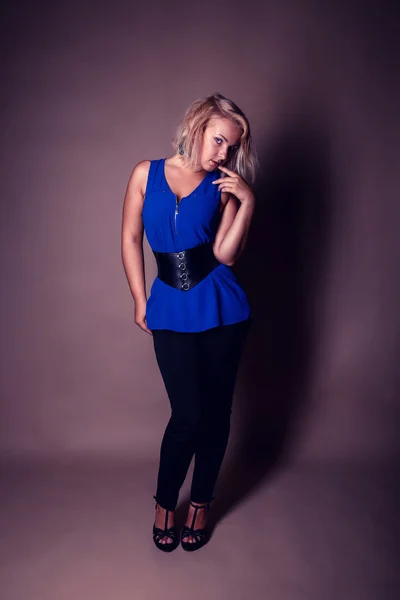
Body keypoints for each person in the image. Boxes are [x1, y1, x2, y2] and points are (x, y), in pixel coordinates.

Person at [121, 92, 258, 552]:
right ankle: (165, 504)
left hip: (222, 310)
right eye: (219, 141)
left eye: (231, 148)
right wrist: (140, 299)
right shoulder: (146, 173)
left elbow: (225, 255)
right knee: (188, 415)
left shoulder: (223, 186)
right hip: (169, 307)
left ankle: (200, 503)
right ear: (197, 126)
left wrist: (247, 201)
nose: (223, 154)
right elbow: (130, 236)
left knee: (217, 415)